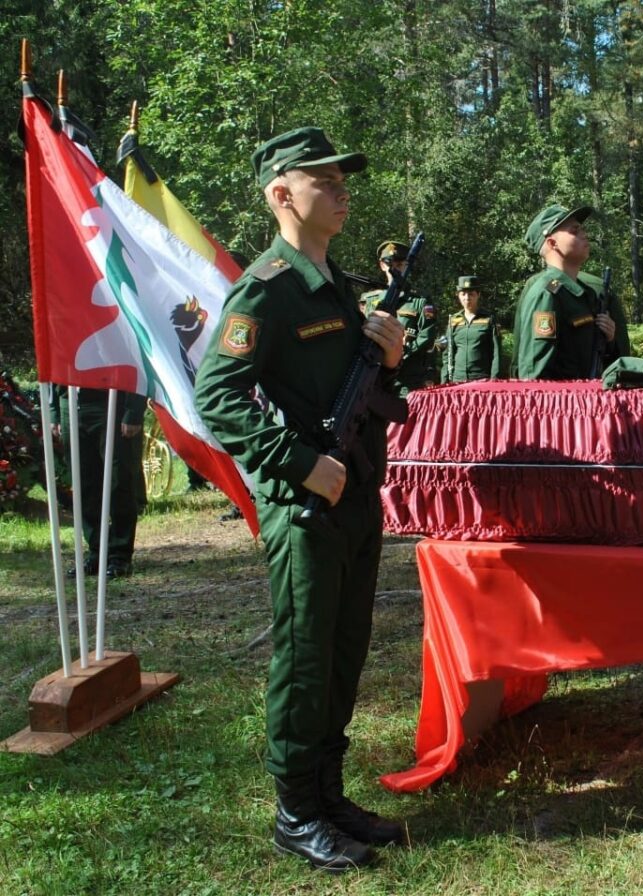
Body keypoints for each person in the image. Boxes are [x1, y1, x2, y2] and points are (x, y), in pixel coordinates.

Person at [193, 126, 407, 872]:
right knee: (307, 659)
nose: (343, 188)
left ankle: (328, 795)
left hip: (356, 494)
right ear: (281, 193)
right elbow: (215, 395)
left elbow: (371, 394)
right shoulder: (268, 288)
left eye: (345, 177)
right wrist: (295, 462)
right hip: (306, 504)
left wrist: (389, 359)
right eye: (326, 179)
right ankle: (295, 814)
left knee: (345, 652)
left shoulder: (339, 287)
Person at [513, 203, 630, 380]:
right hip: (561, 405)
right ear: (552, 243)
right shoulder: (547, 294)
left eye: (582, 229)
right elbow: (534, 375)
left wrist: (610, 339)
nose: (584, 234)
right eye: (575, 230)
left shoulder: (585, 294)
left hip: (586, 401)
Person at [50, 386, 146, 578]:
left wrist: (134, 410)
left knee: (119, 481)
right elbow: (53, 360)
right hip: (70, 402)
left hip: (112, 399)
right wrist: (54, 411)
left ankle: (120, 555)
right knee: (83, 482)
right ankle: (97, 551)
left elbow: (135, 360)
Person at [361, 240, 437, 394]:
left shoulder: (421, 302)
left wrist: (399, 354)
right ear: (382, 265)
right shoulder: (369, 300)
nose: (395, 269)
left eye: (400, 264)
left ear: (406, 266)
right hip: (374, 378)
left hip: (407, 380)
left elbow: (427, 335)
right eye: (391, 264)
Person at [443, 275, 501, 382]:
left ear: (478, 295)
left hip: (481, 379)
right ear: (458, 296)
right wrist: (444, 379)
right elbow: (448, 353)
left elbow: (496, 353)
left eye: (471, 294)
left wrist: (494, 379)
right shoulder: (454, 320)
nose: (467, 298)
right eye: (463, 294)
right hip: (457, 379)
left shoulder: (489, 319)